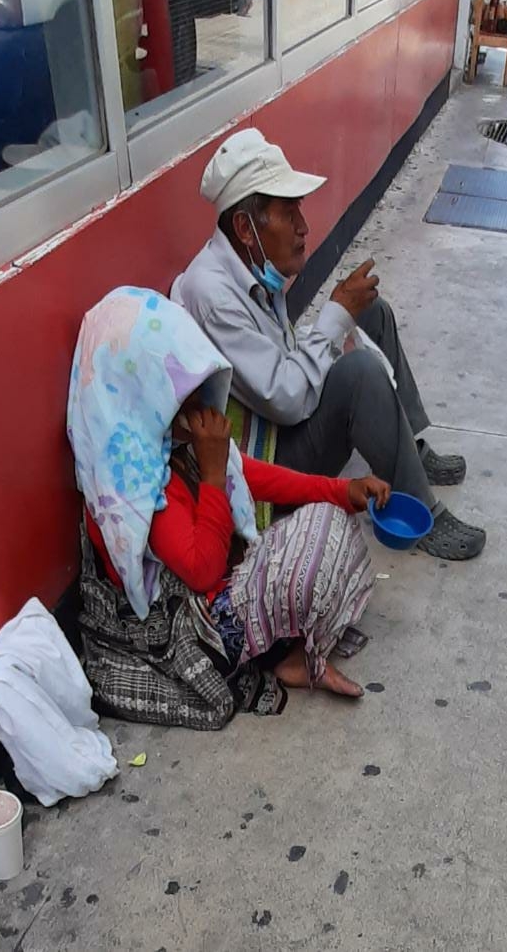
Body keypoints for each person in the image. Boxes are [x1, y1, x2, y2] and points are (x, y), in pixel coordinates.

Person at [66, 287, 390, 729]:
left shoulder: (167, 445)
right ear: (141, 394)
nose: (199, 399)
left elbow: (253, 474)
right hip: (192, 628)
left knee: (330, 519)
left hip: (218, 591)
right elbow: (201, 570)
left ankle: (294, 656)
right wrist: (214, 474)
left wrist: (341, 490)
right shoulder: (130, 483)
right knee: (313, 548)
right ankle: (289, 658)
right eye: (181, 389)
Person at [172, 128, 486, 561]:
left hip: (280, 416)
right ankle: (421, 511)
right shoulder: (210, 294)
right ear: (246, 227)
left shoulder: (249, 265)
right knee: (358, 374)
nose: (303, 226)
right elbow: (286, 400)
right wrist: (334, 318)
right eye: (288, 213)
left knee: (371, 313)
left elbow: (278, 360)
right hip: (263, 461)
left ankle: (405, 449)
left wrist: (342, 321)